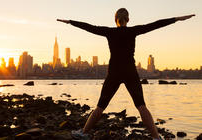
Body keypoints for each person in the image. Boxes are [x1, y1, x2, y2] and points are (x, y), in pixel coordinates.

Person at [57, 8, 195, 140]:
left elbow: (89, 27)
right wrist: (177, 19)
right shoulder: (133, 31)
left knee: (101, 105)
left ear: (115, 19)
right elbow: (155, 25)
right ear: (128, 19)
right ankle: (156, 137)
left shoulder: (109, 32)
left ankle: (83, 133)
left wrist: (70, 22)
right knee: (141, 105)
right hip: (130, 72)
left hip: (114, 73)